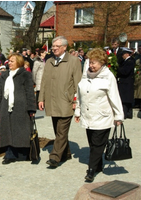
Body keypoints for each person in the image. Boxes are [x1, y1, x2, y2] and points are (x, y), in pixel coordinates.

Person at [74, 48, 124, 182]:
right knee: (92, 143)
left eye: (94, 63)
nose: (91, 65)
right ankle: (98, 164)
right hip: (88, 115)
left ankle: (91, 169)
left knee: (97, 144)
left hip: (102, 116)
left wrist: (119, 116)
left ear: (102, 63)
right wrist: (78, 111)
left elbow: (115, 96)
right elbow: (80, 95)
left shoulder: (108, 77)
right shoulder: (86, 75)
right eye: (90, 62)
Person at [38, 36, 82, 168]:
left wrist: (76, 101)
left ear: (64, 47)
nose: (54, 48)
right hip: (52, 101)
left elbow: (78, 83)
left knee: (62, 131)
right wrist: (41, 98)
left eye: (57, 46)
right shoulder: (50, 61)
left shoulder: (74, 61)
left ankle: (55, 157)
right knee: (58, 131)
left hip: (66, 101)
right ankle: (66, 153)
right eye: (53, 46)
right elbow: (44, 81)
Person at [0, 53, 36, 164]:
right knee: (7, 130)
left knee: (21, 130)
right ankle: (10, 154)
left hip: (21, 107)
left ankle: (22, 154)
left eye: (12, 61)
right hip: (5, 106)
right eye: (9, 61)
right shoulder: (4, 75)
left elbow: (30, 92)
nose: (9, 63)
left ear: (19, 62)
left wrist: (31, 108)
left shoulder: (25, 74)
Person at [117, 47, 135, 119]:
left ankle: (125, 113)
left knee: (125, 99)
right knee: (125, 99)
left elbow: (125, 71)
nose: (122, 56)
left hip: (127, 82)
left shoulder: (130, 61)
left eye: (123, 54)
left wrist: (118, 69)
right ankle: (127, 113)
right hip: (125, 82)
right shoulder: (125, 61)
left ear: (127, 54)